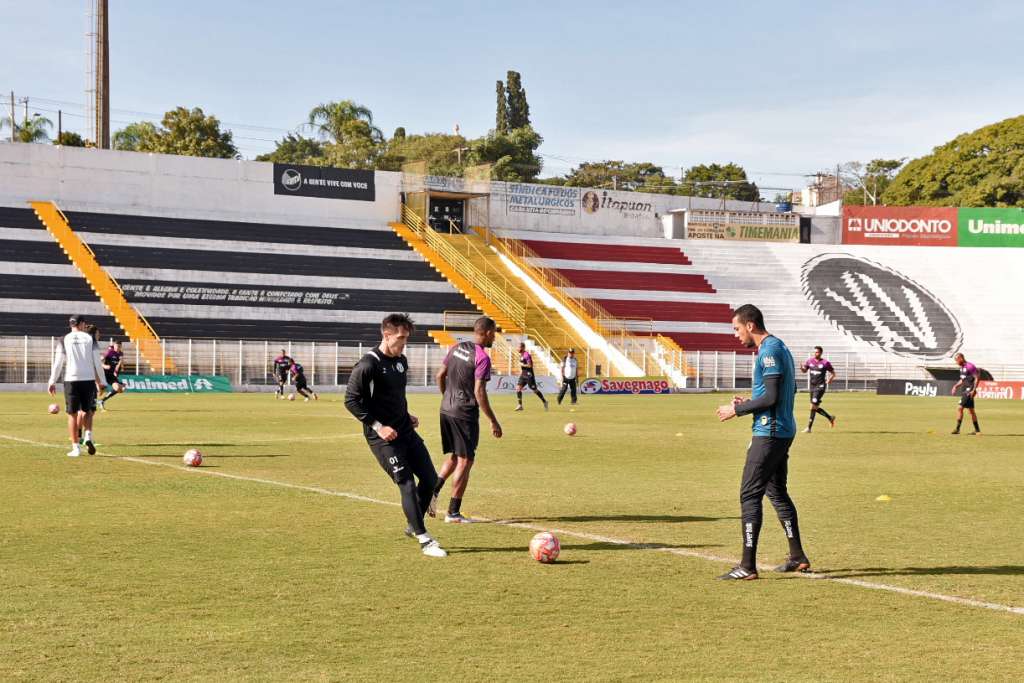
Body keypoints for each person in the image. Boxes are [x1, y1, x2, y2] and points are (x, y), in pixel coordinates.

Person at [715, 304, 809, 580]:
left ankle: (747, 566)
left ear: (750, 326)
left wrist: (738, 410)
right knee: (776, 492)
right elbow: (781, 391)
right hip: (780, 429)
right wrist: (749, 403)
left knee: (749, 494)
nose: (736, 334)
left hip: (769, 432)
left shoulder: (769, 351)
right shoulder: (779, 348)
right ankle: (798, 556)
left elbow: (772, 398)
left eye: (736, 328)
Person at [344, 314, 447, 557]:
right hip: (382, 438)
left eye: (406, 339)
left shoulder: (401, 360)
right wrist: (378, 426)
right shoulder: (368, 365)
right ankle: (424, 540)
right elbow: (351, 401)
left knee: (430, 480)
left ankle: (414, 525)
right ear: (386, 335)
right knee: (407, 483)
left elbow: (394, 396)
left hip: (405, 431)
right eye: (400, 338)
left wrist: (407, 414)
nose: (403, 344)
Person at [432, 317, 503, 524]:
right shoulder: (482, 358)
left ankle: (431, 493)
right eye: (495, 332)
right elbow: (478, 391)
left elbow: (439, 375)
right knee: (465, 460)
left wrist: (447, 397)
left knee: (455, 457)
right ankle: (453, 513)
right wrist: (493, 421)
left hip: (446, 409)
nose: (495, 337)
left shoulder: (456, 347)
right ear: (488, 332)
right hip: (464, 413)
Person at [48, 315, 106, 457]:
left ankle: (75, 448)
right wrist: (103, 381)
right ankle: (88, 436)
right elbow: (97, 362)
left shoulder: (63, 339)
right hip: (88, 379)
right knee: (88, 411)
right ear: (82, 324)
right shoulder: (90, 339)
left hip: (71, 380)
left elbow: (58, 363)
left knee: (72, 415)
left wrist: (52, 381)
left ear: (71, 325)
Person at [800, 346, 836, 433]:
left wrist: (830, 379)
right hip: (812, 387)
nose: (816, 353)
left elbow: (833, 373)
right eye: (815, 352)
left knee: (813, 406)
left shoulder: (825, 363)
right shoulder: (809, 361)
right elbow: (805, 371)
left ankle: (809, 428)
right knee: (814, 407)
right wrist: (802, 368)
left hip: (820, 387)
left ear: (821, 353)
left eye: (817, 352)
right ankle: (830, 417)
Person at [950, 353, 981, 435]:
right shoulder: (961, 368)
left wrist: (974, 390)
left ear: (961, 358)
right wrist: (955, 386)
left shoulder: (970, 366)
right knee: (971, 411)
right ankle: (977, 430)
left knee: (960, 408)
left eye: (956, 360)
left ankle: (957, 429)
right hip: (965, 390)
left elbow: (977, 378)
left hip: (969, 390)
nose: (956, 362)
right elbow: (962, 380)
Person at [514, 341, 548, 412]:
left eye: (519, 347)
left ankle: (544, 401)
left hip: (529, 375)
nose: (517, 348)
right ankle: (520, 405)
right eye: (517, 347)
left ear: (523, 348)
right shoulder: (522, 355)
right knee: (518, 388)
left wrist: (522, 365)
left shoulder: (527, 355)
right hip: (523, 375)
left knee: (534, 390)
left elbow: (530, 365)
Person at [98, 340, 125, 410]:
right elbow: (99, 361)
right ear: (114, 346)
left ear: (121, 346)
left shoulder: (121, 354)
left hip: (112, 376)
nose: (117, 348)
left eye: (119, 346)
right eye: (116, 346)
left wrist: (117, 370)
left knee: (119, 389)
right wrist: (104, 366)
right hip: (104, 375)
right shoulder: (110, 352)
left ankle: (102, 401)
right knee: (98, 392)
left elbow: (120, 363)